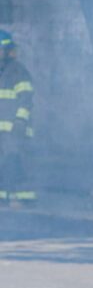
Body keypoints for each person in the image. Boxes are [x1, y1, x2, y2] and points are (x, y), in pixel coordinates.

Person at [0, 29, 36, 206]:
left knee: (16, 163)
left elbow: (26, 98)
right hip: (3, 131)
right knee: (4, 165)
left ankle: (21, 199)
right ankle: (4, 198)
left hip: (16, 130)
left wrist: (20, 120)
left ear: (7, 51)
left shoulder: (17, 71)